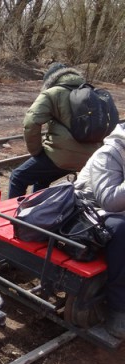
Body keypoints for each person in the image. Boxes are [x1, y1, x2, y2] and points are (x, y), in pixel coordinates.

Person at [8, 63, 102, 199]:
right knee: (42, 178)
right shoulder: (91, 92)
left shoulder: (53, 93)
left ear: (50, 80)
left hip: (62, 156)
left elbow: (31, 122)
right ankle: (36, 213)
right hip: (91, 157)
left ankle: (12, 219)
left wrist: (36, 152)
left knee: (18, 177)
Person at [74, 122, 125, 339]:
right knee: (122, 231)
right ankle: (118, 307)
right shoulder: (109, 153)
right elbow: (110, 201)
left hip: (113, 211)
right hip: (89, 211)